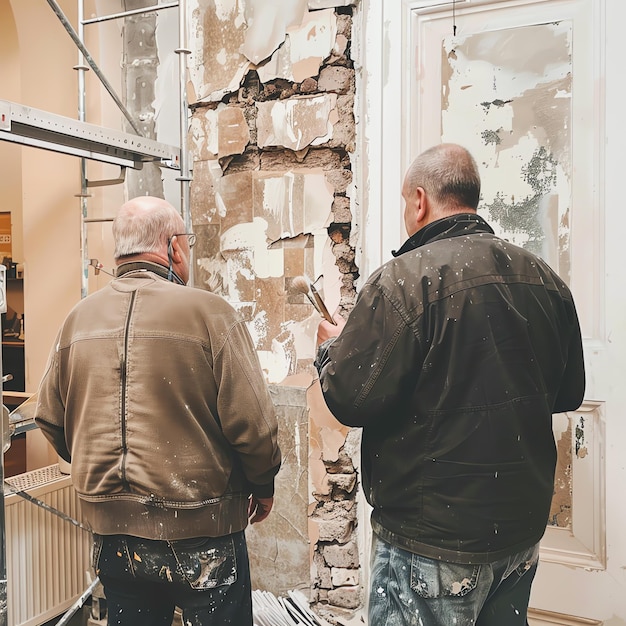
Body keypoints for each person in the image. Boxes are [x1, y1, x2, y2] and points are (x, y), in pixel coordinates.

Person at [315, 143, 585, 626]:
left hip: (431, 539)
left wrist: (332, 349)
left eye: (404, 203)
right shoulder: (545, 280)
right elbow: (567, 394)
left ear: (420, 200)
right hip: (518, 534)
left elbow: (350, 397)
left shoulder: (401, 281)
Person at [34, 196, 282, 626]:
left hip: (115, 536)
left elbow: (50, 418)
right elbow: (254, 427)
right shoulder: (211, 314)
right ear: (174, 248)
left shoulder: (78, 320)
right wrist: (262, 485)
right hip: (204, 530)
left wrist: (105, 478)